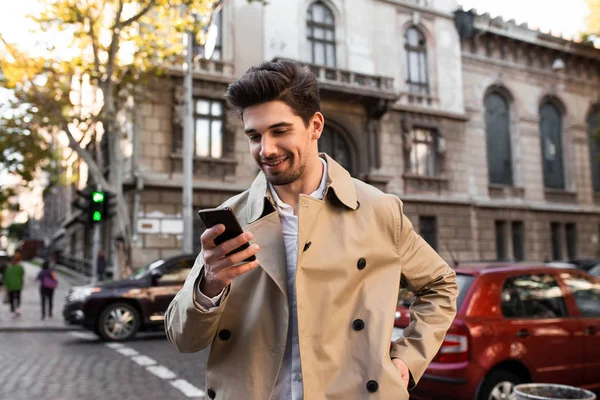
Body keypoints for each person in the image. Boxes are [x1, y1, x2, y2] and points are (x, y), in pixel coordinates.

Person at [165, 60, 458, 399]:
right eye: (254, 136)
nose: (266, 149)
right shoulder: (233, 217)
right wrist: (210, 285)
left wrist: (407, 359)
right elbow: (183, 340)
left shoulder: (379, 210)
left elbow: (441, 284)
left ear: (315, 125)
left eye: (280, 131)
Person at [4, 251, 24, 319]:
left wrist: (6, 286)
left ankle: (12, 309)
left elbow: (6, 278)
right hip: (18, 286)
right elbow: (22, 275)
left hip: (10, 287)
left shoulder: (8, 269)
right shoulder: (20, 268)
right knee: (18, 297)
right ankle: (17, 308)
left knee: (11, 298)